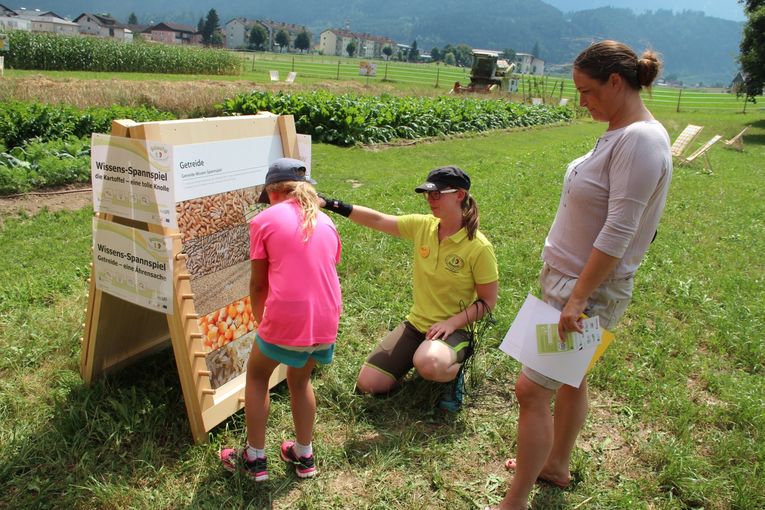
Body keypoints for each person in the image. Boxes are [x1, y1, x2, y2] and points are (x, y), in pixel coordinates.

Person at [496, 40, 673, 509]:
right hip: (571, 282)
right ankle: (554, 465)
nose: (581, 101)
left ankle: (513, 502)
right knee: (571, 377)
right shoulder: (624, 132)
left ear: (616, 82)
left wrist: (577, 299)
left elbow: (621, 229)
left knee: (530, 390)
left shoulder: (639, 140)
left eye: (587, 91)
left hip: (582, 291)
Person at [320, 166, 498, 412]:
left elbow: (488, 301)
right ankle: (424, 356)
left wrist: (451, 324)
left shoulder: (478, 246)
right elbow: (378, 220)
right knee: (369, 384)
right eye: (427, 194)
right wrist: (330, 204)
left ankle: (453, 372)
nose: (430, 200)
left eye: (437, 194)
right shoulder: (423, 226)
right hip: (417, 324)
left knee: (429, 363)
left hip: (456, 330)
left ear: (459, 195)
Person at [220, 158, 342, 482]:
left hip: (289, 317)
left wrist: (262, 320)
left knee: (258, 375)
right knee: (300, 381)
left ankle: (254, 459)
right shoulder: (328, 222)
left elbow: (259, 284)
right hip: (326, 320)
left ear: (272, 193)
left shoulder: (265, 221)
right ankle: (304, 455)